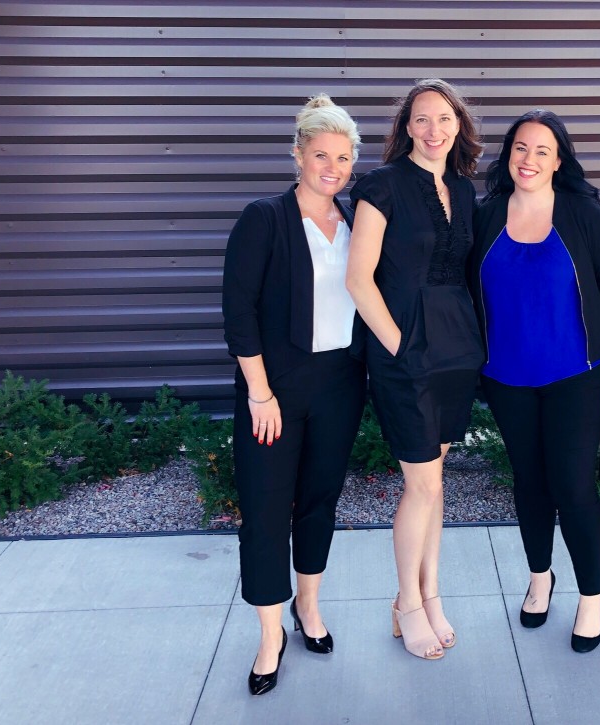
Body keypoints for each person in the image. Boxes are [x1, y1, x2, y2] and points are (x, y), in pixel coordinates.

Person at [222, 94, 366, 695]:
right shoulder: (264, 218)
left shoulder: (359, 217)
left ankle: (309, 607)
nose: (332, 167)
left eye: (343, 156)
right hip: (273, 391)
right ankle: (269, 633)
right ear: (298, 155)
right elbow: (239, 311)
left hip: (340, 385)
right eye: (320, 154)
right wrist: (259, 392)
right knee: (263, 511)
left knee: (318, 501)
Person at [472, 110, 600, 653]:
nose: (529, 159)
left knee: (574, 485)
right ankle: (541, 578)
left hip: (575, 375)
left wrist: (570, 330)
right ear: (507, 155)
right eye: (520, 148)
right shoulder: (486, 213)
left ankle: (591, 596)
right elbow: (472, 289)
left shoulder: (582, 211)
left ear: (559, 160)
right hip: (506, 377)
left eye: (542, 150)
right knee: (529, 482)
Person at [345, 79, 485, 660]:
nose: (434, 130)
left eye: (444, 119)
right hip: (404, 349)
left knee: (436, 482)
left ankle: (431, 595)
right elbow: (358, 279)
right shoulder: (381, 185)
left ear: (458, 125)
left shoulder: (462, 187)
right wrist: (400, 348)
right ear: (406, 126)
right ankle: (406, 601)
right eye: (422, 119)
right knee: (421, 483)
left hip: (456, 348)